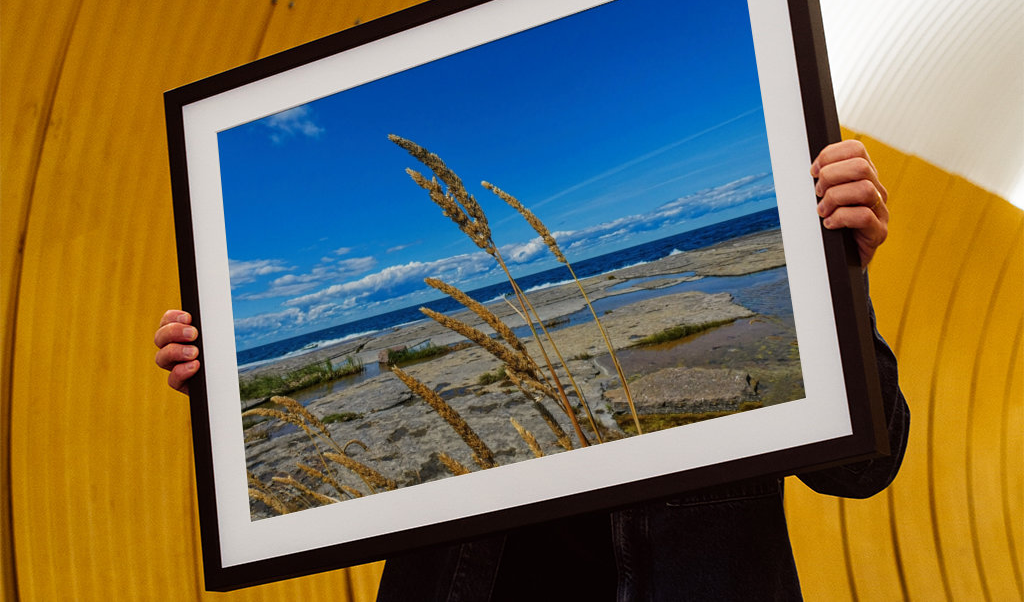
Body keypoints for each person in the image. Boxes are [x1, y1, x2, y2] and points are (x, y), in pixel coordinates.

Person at [155, 140, 909, 601]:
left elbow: (865, 467)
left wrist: (841, 274)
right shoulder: (494, 356)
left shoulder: (802, 262)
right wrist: (226, 397)